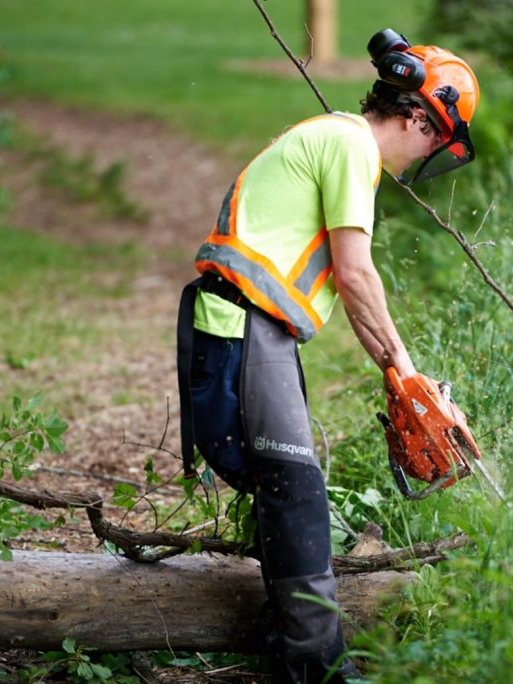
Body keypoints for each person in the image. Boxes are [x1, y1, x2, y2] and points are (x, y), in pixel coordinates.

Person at [175, 29, 480, 684]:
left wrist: (399, 376)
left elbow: (347, 282)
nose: (431, 153)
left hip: (254, 329)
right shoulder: (350, 147)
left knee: (287, 487)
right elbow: (357, 273)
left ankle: (284, 629)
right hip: (246, 328)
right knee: (297, 491)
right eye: (439, 140)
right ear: (422, 116)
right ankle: (314, 666)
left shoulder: (339, 141)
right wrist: (404, 365)